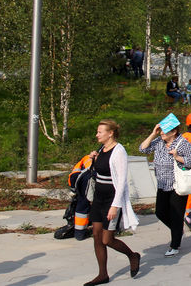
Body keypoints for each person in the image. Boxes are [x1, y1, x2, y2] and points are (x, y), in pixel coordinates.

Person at [84, 120, 139, 285]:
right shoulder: (102, 149)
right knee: (96, 235)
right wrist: (94, 158)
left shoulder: (119, 151)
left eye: (100, 132)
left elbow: (121, 181)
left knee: (107, 239)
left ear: (110, 133)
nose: (97, 135)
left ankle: (132, 255)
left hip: (111, 199)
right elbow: (99, 170)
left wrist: (115, 206)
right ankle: (103, 274)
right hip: (98, 198)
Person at [139, 116, 191, 258]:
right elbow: (142, 149)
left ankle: (175, 245)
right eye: (161, 130)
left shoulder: (182, 143)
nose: (161, 133)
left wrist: (177, 157)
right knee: (160, 212)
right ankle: (177, 231)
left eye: (165, 130)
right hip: (162, 184)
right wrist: (153, 133)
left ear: (174, 131)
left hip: (177, 186)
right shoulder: (159, 141)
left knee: (176, 215)